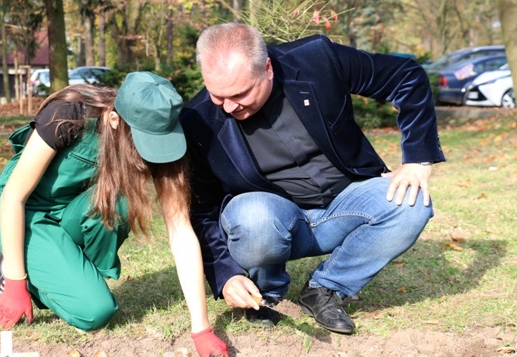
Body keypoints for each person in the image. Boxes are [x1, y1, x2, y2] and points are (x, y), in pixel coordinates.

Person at [179, 23, 445, 334]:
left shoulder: (316, 60)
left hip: (345, 202)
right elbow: (204, 210)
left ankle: (326, 288)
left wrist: (418, 157)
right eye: (217, 95)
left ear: (267, 68)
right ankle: (266, 294)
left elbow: (405, 75)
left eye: (240, 93)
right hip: (271, 219)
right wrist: (225, 275)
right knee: (253, 216)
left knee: (412, 203)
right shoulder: (198, 121)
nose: (228, 106)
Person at [0, 71, 229, 357]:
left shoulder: (165, 132)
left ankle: (54, 266)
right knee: (95, 312)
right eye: (144, 143)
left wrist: (201, 329)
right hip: (27, 213)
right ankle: (15, 258)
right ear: (114, 121)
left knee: (121, 202)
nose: (150, 155)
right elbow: (13, 197)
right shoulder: (69, 113)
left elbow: (180, 228)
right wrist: (15, 283)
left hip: (74, 209)